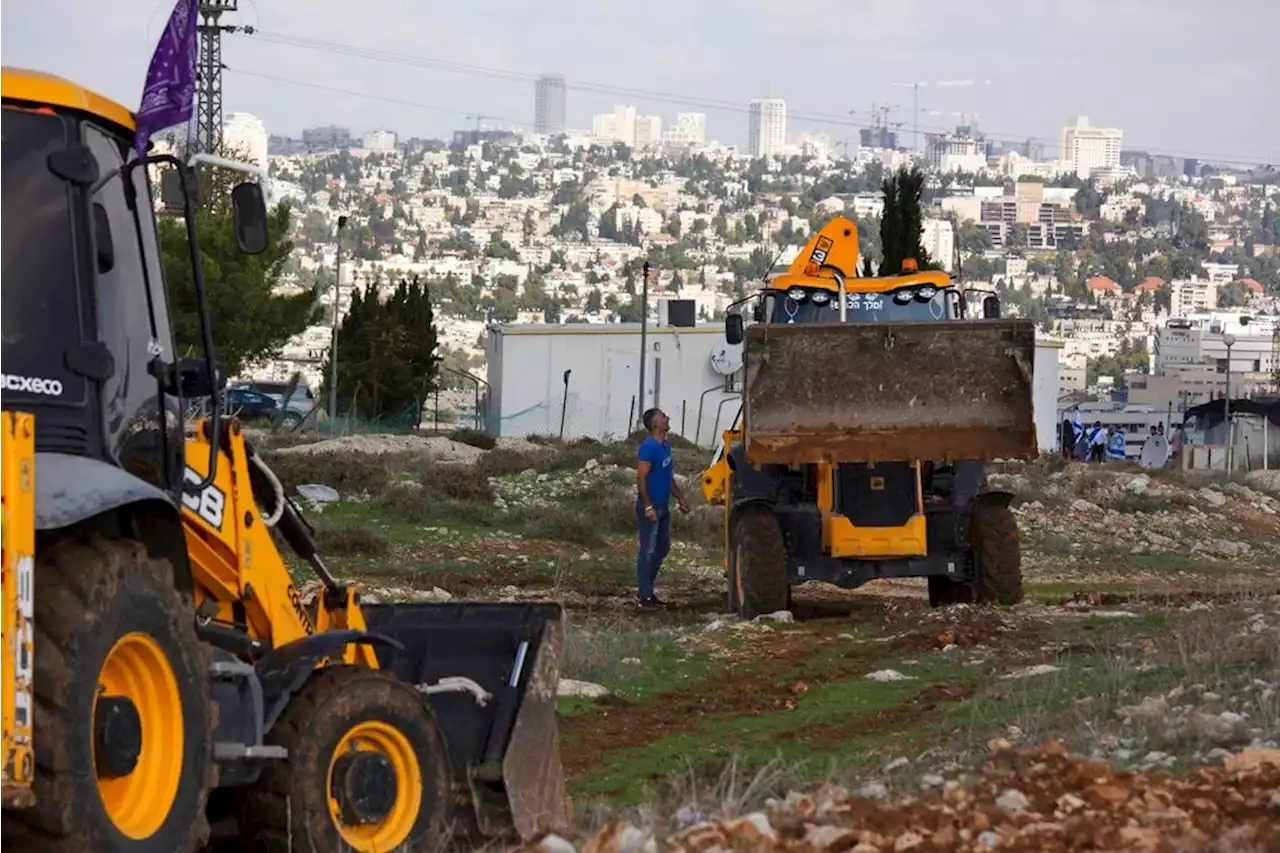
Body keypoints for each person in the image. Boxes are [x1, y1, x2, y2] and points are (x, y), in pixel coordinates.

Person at [635, 407, 689, 609]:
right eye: (663, 416)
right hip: (651, 507)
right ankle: (644, 595)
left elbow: (668, 476)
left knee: (663, 547)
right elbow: (641, 477)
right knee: (647, 549)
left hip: (663, 506)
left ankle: (647, 588)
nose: (668, 418)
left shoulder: (665, 446)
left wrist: (680, 498)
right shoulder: (649, 447)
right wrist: (648, 506)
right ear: (655, 424)